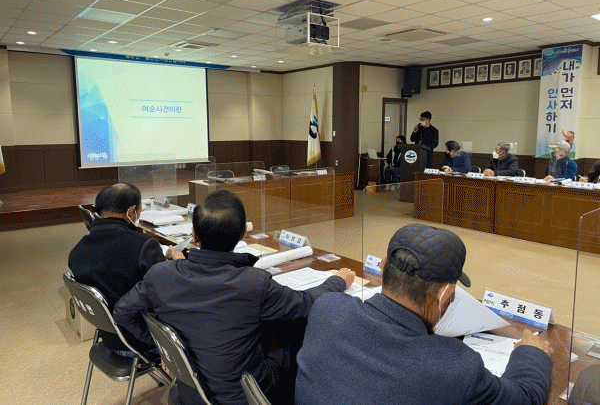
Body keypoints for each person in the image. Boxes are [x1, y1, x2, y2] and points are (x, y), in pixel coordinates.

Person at [113, 190, 355, 405]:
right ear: (243, 234)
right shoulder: (253, 283)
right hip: (245, 395)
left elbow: (122, 312)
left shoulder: (160, 275)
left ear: (193, 235)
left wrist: (164, 351)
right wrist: (338, 281)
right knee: (292, 336)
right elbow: (305, 304)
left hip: (189, 392)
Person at [295, 224, 553, 405]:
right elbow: (523, 397)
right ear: (445, 295)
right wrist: (531, 352)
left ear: (383, 266)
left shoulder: (328, 308)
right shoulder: (456, 366)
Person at [68, 183, 184, 355]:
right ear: (131, 212)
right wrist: (178, 266)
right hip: (143, 341)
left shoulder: (77, 251)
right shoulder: (143, 245)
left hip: (109, 336)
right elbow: (165, 293)